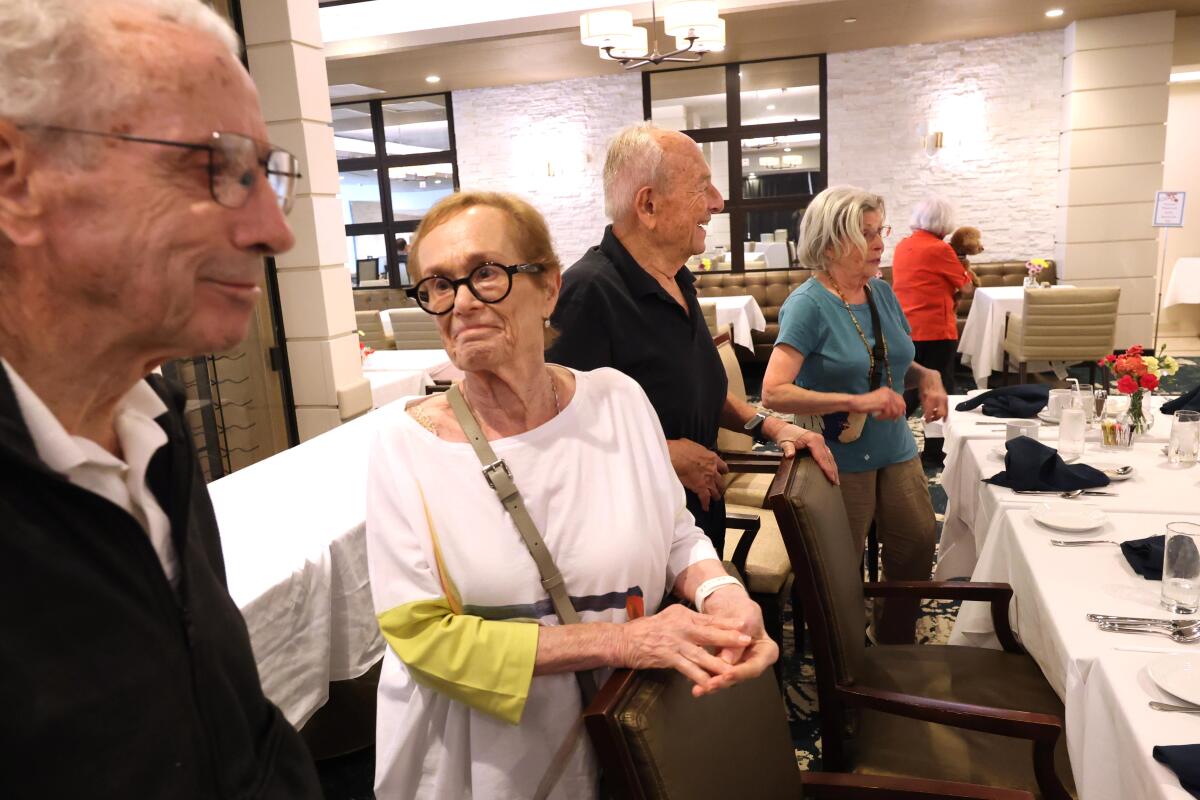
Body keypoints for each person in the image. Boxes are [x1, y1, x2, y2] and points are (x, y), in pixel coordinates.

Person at [0, 1, 320, 796]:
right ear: (15, 181)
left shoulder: (153, 428)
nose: (275, 231)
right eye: (216, 167)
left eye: (266, 175)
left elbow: (233, 728)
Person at [365, 190, 778, 799]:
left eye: (486, 273)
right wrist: (621, 641)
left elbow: (674, 531)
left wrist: (722, 593)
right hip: (488, 765)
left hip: (629, 730)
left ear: (549, 288)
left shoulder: (617, 400)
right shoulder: (405, 445)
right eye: (439, 285)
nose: (462, 302)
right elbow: (423, 637)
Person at [548, 122, 837, 555]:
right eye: (702, 187)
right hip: (636, 538)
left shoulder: (677, 279)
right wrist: (664, 454)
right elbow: (556, 435)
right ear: (648, 205)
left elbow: (700, 394)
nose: (717, 202)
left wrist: (772, 426)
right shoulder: (587, 293)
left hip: (695, 519)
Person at [761, 186, 947, 644]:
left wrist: (927, 376)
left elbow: (891, 362)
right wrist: (855, 401)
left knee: (918, 541)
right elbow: (773, 391)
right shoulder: (808, 304)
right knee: (840, 566)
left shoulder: (880, 292)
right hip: (838, 456)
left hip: (894, 444)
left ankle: (894, 642)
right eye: (865, 233)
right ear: (829, 244)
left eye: (880, 230)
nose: (880, 242)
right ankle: (846, 654)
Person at [891, 195, 974, 415]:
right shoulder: (940, 249)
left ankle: (892, 425)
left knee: (910, 386)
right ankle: (941, 437)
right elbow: (966, 287)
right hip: (936, 329)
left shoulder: (902, 246)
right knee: (942, 387)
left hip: (905, 327)